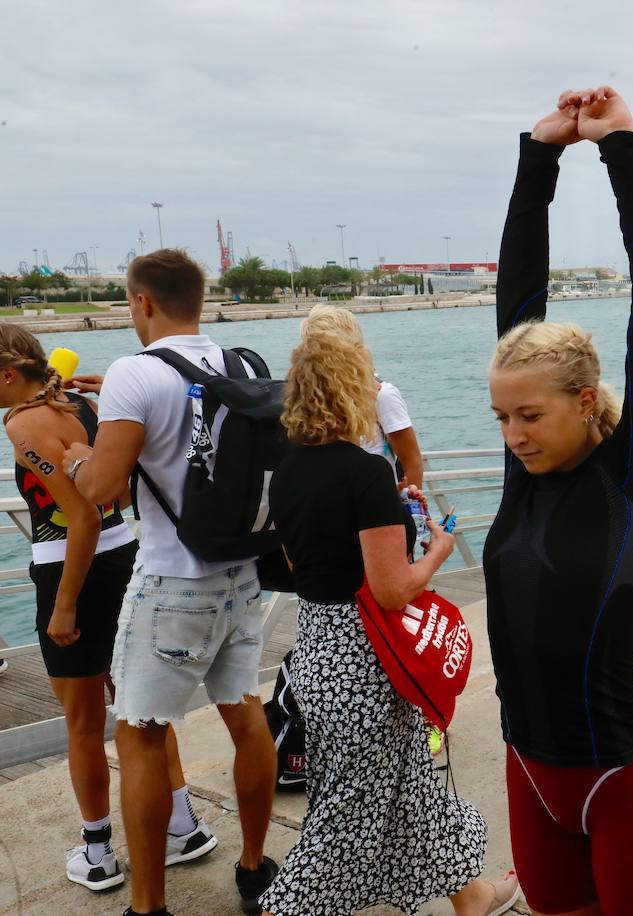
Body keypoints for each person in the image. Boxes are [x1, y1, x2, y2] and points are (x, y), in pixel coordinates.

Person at [484, 87, 633, 916]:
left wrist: (620, 147)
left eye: (529, 415)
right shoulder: (520, 477)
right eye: (501, 416)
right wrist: (538, 157)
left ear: (583, 398)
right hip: (526, 768)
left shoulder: (632, 474)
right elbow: (517, 295)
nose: (514, 435)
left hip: (621, 780)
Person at [259, 306, 516, 916]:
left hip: (319, 648)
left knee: (410, 782)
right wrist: (438, 551)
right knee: (347, 815)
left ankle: (471, 895)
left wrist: (380, 516)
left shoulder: (287, 469)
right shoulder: (365, 471)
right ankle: (283, 909)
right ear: (356, 387)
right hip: (369, 661)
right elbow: (393, 590)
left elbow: (300, 564)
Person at [62, 249, 278, 916]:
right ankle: (252, 869)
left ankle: (149, 906)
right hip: (243, 578)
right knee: (246, 718)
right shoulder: (240, 362)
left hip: (172, 585)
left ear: (143, 303)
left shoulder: (135, 372)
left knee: (140, 735)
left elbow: (103, 488)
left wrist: (76, 457)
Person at [0, 326, 208, 894]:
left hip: (73, 569)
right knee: (142, 710)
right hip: (127, 562)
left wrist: (63, 604)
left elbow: (83, 518)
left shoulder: (22, 423)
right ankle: (182, 825)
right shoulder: (86, 405)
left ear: (10, 376)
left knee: (84, 724)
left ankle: (97, 852)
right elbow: (112, 497)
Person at [363, 376, 426, 488]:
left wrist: (412, 503)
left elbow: (412, 462)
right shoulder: (325, 399)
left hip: (381, 499)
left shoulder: (382, 394)